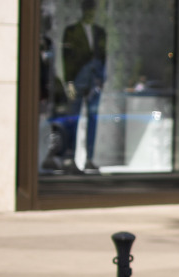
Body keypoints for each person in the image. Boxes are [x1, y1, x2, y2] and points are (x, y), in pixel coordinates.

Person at [61, 0, 107, 172]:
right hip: (78, 80)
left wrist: (101, 80)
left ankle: (89, 159)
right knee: (73, 118)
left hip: (94, 81)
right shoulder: (71, 32)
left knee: (92, 119)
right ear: (83, 10)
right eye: (88, 9)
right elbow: (67, 58)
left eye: (93, 9)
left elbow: (103, 57)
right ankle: (70, 158)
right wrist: (69, 82)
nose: (91, 12)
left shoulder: (100, 33)